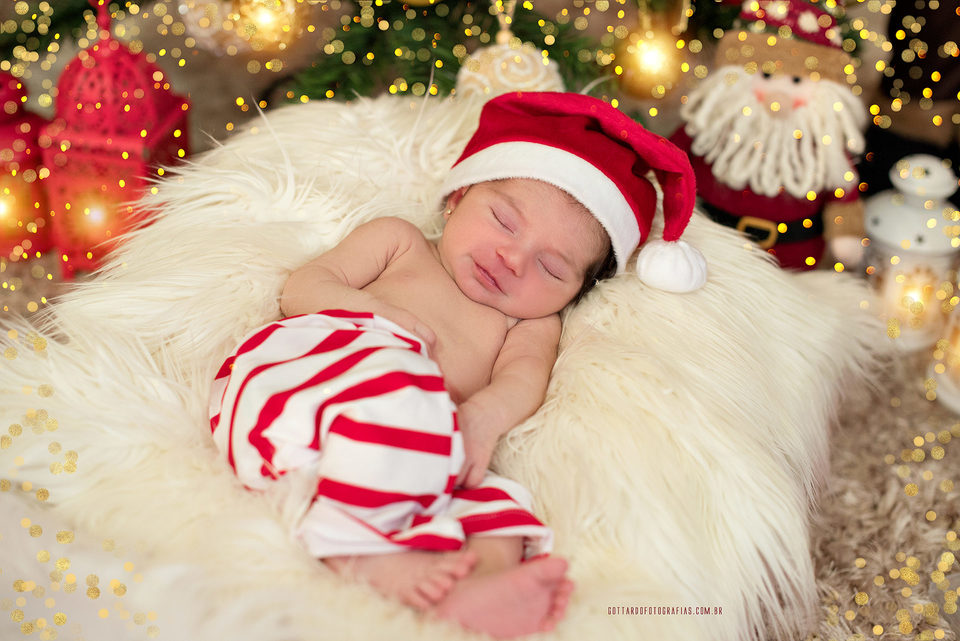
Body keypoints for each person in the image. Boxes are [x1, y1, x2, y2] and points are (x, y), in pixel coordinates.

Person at [208, 91, 706, 639]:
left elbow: (523, 380)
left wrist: (482, 420)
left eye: (551, 268)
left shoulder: (529, 324)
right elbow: (305, 287)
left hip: (410, 447)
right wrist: (378, 316)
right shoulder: (399, 243)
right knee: (402, 391)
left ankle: (476, 586)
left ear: (575, 293)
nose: (512, 260)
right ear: (457, 198)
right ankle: (361, 555)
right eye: (503, 221)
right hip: (302, 390)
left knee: (502, 506)